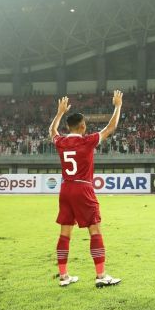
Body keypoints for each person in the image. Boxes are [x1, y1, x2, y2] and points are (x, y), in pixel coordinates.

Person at [49, 91, 124, 288]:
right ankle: (101, 276)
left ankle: (64, 276)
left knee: (65, 233)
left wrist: (59, 113)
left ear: (68, 127)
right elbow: (111, 127)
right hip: (83, 189)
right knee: (94, 230)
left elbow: (52, 132)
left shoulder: (62, 142)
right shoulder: (86, 140)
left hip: (65, 189)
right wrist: (117, 106)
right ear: (82, 127)